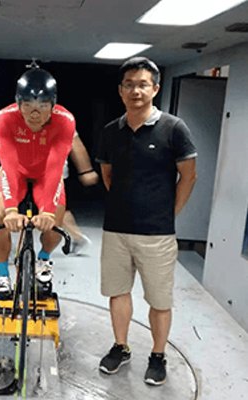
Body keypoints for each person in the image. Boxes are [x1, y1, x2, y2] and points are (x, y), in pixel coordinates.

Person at [96, 57, 197, 386]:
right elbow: (108, 176)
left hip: (157, 233)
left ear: (155, 88)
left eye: (142, 84)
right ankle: (121, 347)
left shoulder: (174, 128)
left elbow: (188, 176)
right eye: (129, 85)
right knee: (117, 292)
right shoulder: (111, 132)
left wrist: (168, 214)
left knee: (159, 300)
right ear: (120, 90)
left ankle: (157, 355)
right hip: (116, 229)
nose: (135, 91)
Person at [0, 66, 76, 298]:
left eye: (43, 106)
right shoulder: (4, 118)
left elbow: (55, 166)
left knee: (55, 220)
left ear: (53, 105)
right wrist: (11, 210)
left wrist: (47, 212)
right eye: (27, 105)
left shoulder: (65, 120)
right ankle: (2, 276)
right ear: (18, 103)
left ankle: (44, 259)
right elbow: (8, 164)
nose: (35, 113)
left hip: (46, 173)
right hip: (15, 170)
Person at [62, 132, 99, 255]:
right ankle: (77, 237)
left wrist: (86, 170)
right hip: (21, 170)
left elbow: (75, 143)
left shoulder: (63, 121)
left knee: (57, 209)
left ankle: (77, 237)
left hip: (52, 172)